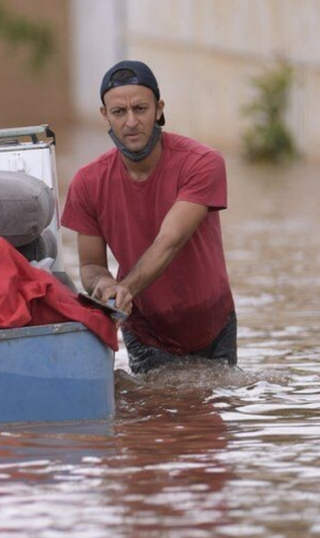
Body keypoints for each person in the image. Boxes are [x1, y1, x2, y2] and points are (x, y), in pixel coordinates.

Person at [61, 60, 236, 374]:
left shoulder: (203, 163)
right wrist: (105, 287)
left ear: (159, 109)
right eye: (119, 112)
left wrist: (126, 287)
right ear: (105, 116)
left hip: (213, 323)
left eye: (140, 109)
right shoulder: (87, 183)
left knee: (211, 416)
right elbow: (90, 266)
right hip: (146, 331)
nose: (131, 122)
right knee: (151, 419)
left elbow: (170, 242)